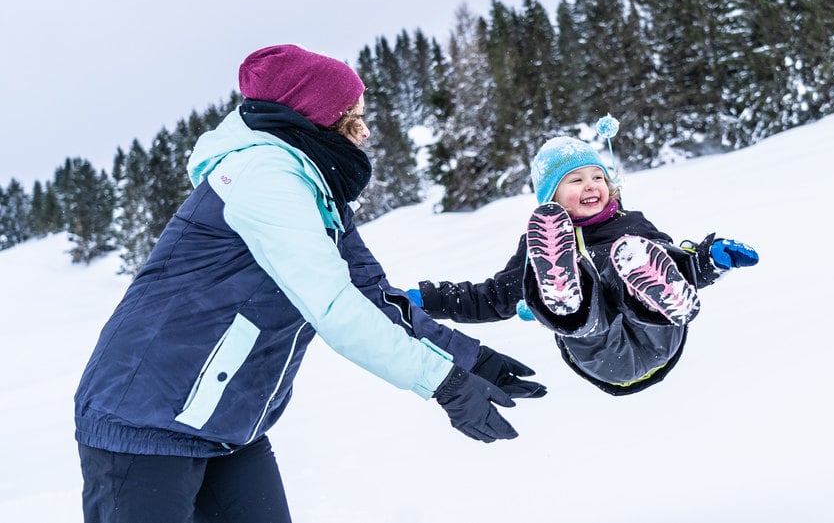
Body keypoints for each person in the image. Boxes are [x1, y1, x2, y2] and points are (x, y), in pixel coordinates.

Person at [74, 44, 543, 523]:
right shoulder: (263, 177)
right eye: (349, 118)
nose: (362, 131)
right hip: (144, 417)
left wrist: (472, 360)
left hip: (229, 422)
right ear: (314, 119)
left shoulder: (316, 191)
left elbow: (372, 296)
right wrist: (443, 383)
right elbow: (334, 306)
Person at [410, 135, 758, 395]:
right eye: (576, 180)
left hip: (660, 334)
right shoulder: (539, 247)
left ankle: (644, 297)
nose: (591, 185)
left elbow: (676, 266)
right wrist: (429, 299)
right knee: (584, 292)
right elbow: (492, 298)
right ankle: (564, 298)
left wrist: (709, 258)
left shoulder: (631, 224)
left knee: (633, 258)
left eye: (598, 177)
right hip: (602, 354)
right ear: (551, 197)